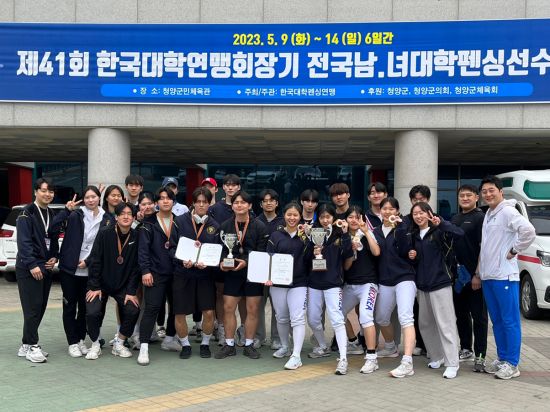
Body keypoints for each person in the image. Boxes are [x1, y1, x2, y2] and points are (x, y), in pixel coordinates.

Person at [478, 175, 536, 380]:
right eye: (484, 191)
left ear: (500, 191)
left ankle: (512, 363)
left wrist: (514, 250)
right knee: (497, 321)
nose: (488, 194)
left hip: (504, 276)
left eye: (491, 190)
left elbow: (528, 231)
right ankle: (503, 358)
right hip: (488, 276)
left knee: (509, 321)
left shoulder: (508, 211)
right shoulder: (489, 213)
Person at [50, 186, 109, 358]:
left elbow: (104, 246)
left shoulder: (107, 218)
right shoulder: (75, 215)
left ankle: (81, 339)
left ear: (99, 198)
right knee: (69, 307)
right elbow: (52, 228)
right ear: (83, 199)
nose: (90, 200)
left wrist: (88, 261)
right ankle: (72, 342)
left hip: (90, 270)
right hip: (70, 269)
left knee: (84, 308)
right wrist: (66, 210)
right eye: (87, 197)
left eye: (94, 196)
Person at [409, 202, 464, 379]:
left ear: (429, 213)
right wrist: (412, 256)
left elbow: (459, 234)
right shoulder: (414, 235)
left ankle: (452, 363)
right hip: (422, 285)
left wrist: (442, 223)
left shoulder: (439, 231)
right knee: (425, 324)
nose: (418, 216)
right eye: (415, 214)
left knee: (446, 324)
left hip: (440, 283)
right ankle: (437, 356)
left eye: (421, 213)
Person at [215, 191, 269, 360]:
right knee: (228, 308)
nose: (239, 205)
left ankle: (249, 344)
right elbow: (220, 250)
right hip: (232, 273)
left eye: (243, 202)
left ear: (250, 205)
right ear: (232, 206)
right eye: (236, 202)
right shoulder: (225, 226)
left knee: (252, 310)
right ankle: (229, 344)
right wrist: (222, 262)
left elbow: (262, 251)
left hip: (253, 273)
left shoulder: (259, 226)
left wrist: (245, 261)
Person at [85, 202, 141, 360]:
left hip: (122, 285)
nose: (126, 217)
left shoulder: (136, 236)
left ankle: (119, 343)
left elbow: (136, 267)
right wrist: (95, 286)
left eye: (129, 214)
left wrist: (131, 291)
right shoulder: (105, 233)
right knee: (92, 312)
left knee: (133, 309)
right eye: (122, 214)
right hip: (100, 284)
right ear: (116, 217)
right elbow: (95, 260)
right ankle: (95, 344)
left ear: (134, 218)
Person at [15, 177, 60, 363]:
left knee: (39, 307)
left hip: (45, 266)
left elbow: (53, 239)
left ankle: (26, 344)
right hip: (29, 268)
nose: (47, 194)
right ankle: (33, 346)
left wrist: (54, 256)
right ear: (35, 192)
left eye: (51, 191)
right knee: (32, 308)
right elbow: (24, 242)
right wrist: (32, 264)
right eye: (44, 190)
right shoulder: (26, 213)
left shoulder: (51, 213)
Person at [172, 187, 220, 359]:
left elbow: (218, 251)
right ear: (192, 203)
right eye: (198, 202)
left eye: (204, 202)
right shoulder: (179, 221)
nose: (201, 205)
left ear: (209, 204)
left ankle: (205, 344)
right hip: (183, 273)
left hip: (205, 275)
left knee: (209, 312)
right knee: (180, 312)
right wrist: (181, 260)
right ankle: (185, 345)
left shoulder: (215, 225)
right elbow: (171, 247)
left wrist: (208, 264)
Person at [307, 203, 354, 375]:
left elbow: (348, 254)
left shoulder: (339, 233)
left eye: (328, 217)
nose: (325, 220)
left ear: (333, 218)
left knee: (337, 319)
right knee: (313, 319)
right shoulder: (312, 233)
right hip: (314, 283)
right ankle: (322, 345)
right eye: (322, 217)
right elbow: (304, 258)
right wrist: (312, 249)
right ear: (318, 218)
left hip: (333, 283)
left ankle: (343, 359)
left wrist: (346, 233)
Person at [372, 197, 417, 378]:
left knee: (406, 317)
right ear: (380, 211)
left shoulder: (404, 228)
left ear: (397, 211)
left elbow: (407, 250)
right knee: (381, 317)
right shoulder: (375, 231)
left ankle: (407, 361)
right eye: (384, 208)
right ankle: (390, 347)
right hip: (385, 280)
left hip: (405, 278)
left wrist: (400, 228)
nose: (388, 212)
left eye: (391, 209)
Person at [136, 187, 180, 365]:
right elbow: (143, 250)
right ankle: (144, 346)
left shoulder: (180, 221)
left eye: (168, 198)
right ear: (156, 203)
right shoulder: (148, 223)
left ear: (173, 201)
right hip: (155, 272)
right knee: (151, 309)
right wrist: (145, 271)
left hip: (177, 272)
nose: (165, 201)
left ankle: (169, 339)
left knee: (176, 307)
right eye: (161, 198)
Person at [266, 202, 312, 370]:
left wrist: (309, 238)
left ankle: (296, 355)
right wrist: (268, 277)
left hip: (299, 283)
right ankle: (285, 346)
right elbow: (268, 257)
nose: (292, 218)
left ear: (300, 216)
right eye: (289, 214)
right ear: (284, 216)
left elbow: (311, 258)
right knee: (281, 317)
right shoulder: (275, 235)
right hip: (278, 283)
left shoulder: (306, 236)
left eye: (295, 215)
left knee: (297, 317)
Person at [451, 184, 488, 372]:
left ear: (476, 198)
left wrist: (477, 275)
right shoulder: (455, 218)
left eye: (468, 195)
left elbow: (484, 248)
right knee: (461, 315)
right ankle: (466, 348)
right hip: (458, 278)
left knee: (479, 317)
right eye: (462, 196)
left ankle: (480, 356)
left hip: (475, 278)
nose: (465, 198)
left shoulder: (481, 218)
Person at [342, 206, 381, 373]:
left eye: (357, 217)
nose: (354, 220)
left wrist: (366, 232)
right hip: (350, 285)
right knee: (337, 313)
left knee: (365, 316)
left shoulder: (368, 234)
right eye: (350, 217)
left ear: (362, 219)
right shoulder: (343, 237)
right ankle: (353, 342)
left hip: (368, 284)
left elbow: (377, 252)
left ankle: (372, 357)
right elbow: (346, 266)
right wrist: (350, 251)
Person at [208, 174, 241, 345]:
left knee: (240, 297)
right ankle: (221, 328)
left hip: (240, 260)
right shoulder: (215, 208)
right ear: (223, 188)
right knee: (220, 294)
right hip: (219, 258)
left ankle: (241, 330)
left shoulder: (244, 205)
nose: (230, 187)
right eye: (227, 185)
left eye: (234, 185)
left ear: (239, 187)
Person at [255, 189, 285, 349]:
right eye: (265, 201)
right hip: (259, 269)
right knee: (258, 305)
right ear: (261, 204)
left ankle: (276, 338)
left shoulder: (284, 222)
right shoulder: (255, 221)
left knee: (277, 306)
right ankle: (259, 336)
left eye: (271, 200)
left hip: (278, 269)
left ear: (277, 203)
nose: (268, 203)